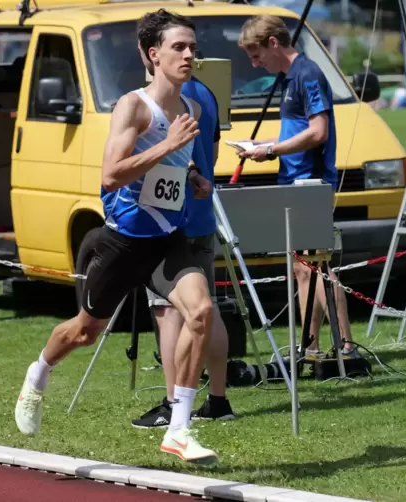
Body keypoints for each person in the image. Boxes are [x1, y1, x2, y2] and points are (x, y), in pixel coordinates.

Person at [14, 9, 219, 465]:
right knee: (85, 332)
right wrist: (168, 146)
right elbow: (110, 176)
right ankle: (39, 374)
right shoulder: (133, 106)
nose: (189, 54)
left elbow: (172, 165)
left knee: (201, 312)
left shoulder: (194, 108)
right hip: (123, 241)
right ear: (154, 55)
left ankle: (180, 427)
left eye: (192, 46)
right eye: (178, 47)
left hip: (168, 236)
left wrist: (192, 177)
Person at [235, 15, 357, 358]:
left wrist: (271, 149)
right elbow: (297, 134)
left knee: (319, 265)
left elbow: (319, 132)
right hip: (293, 182)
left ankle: (346, 345)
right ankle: (312, 345)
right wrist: (263, 147)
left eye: (256, 54)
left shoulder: (308, 74)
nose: (254, 63)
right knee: (303, 269)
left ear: (274, 43)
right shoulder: (289, 78)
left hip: (311, 184)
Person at [131, 42, 235, 430]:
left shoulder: (166, 98)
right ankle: (219, 398)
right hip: (202, 215)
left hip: (170, 220)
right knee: (205, 309)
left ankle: (174, 402)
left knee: (168, 312)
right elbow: (213, 151)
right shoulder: (206, 93)